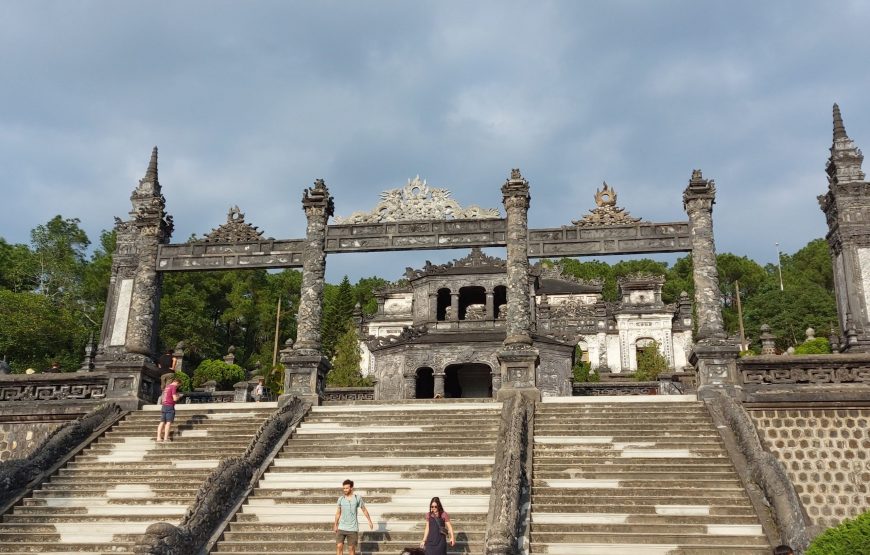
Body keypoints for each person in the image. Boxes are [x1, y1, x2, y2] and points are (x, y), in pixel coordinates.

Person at [334, 479, 373, 555]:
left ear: (351, 488)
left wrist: (369, 521)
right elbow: (338, 513)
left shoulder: (357, 498)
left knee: (351, 549)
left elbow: (364, 510)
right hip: (341, 527)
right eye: (344, 488)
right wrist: (335, 524)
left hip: (352, 528)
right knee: (339, 546)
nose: (345, 490)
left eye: (347, 488)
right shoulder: (341, 499)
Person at [156, 377, 181, 442]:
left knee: (162, 422)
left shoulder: (167, 387)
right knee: (168, 423)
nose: (178, 387)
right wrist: (178, 397)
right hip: (170, 406)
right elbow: (174, 398)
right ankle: (165, 438)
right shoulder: (173, 387)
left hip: (164, 405)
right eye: (178, 385)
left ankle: (158, 437)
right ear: (177, 383)